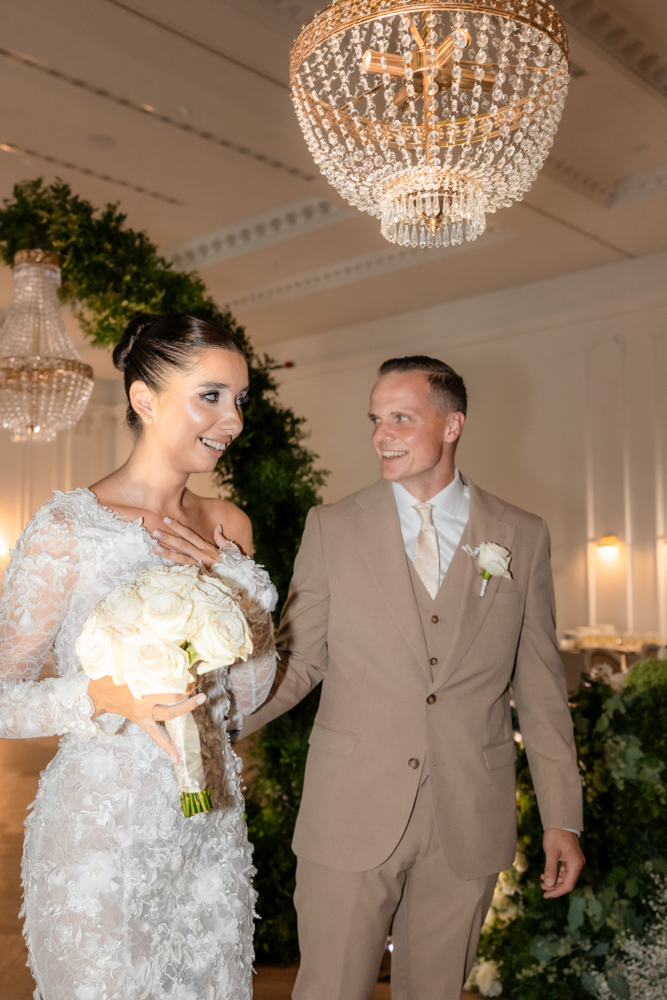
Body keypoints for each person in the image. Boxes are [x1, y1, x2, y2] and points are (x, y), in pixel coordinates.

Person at [240, 355, 585, 1000]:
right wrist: (213, 722)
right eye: (375, 420)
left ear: (452, 425)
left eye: (401, 418)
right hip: (350, 808)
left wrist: (561, 816)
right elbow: (300, 661)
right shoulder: (332, 527)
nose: (381, 436)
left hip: (468, 817)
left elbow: (540, 689)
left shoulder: (522, 535)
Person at [0, 313, 278, 999]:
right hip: (98, 840)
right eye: (210, 396)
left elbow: (245, 700)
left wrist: (235, 590)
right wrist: (98, 697)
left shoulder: (228, 526)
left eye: (239, 399)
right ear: (144, 399)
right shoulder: (68, 530)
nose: (233, 420)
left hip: (207, 830)